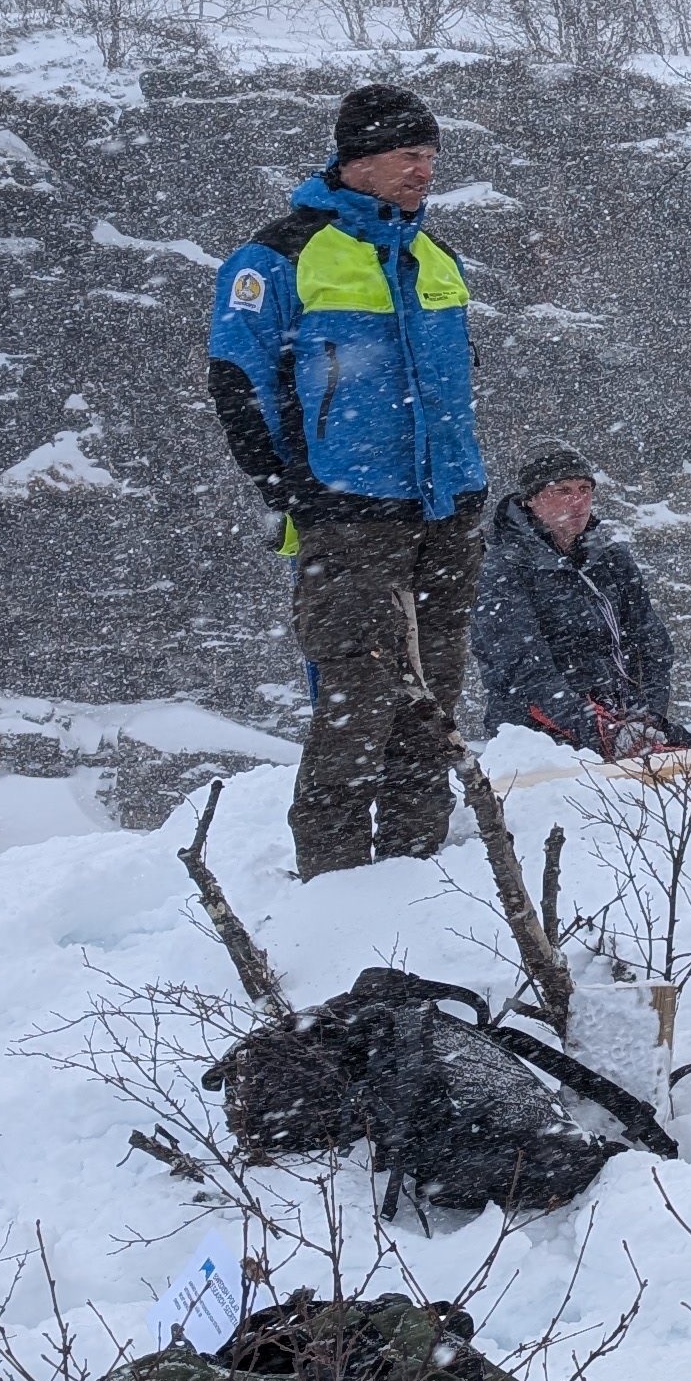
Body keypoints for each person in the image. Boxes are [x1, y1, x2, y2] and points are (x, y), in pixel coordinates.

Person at [207, 81, 492, 879]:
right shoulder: (278, 257)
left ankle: (416, 870)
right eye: (409, 155)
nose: (424, 171)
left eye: (431, 156)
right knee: (355, 703)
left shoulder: (436, 255)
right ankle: (333, 887)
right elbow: (240, 382)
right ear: (358, 159)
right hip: (349, 515)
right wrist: (293, 493)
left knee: (432, 704)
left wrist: (467, 491)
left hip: (446, 513)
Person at [473, 446, 690, 756]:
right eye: (563, 490)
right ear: (531, 499)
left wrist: (646, 717)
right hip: (540, 735)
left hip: (624, 719)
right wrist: (601, 731)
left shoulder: (611, 559)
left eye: (585, 489)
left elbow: (652, 645)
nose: (578, 501)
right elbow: (523, 671)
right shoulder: (502, 568)